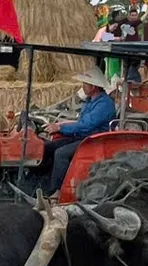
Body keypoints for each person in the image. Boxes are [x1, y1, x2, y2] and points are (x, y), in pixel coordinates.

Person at [41, 67, 118, 195]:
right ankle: (42, 181)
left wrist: (60, 127)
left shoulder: (104, 104)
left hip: (93, 140)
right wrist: (59, 125)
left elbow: (86, 125)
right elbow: (80, 121)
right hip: (82, 136)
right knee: (48, 146)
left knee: (61, 153)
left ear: (93, 87)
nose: (83, 86)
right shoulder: (90, 101)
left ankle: (56, 192)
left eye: (85, 84)